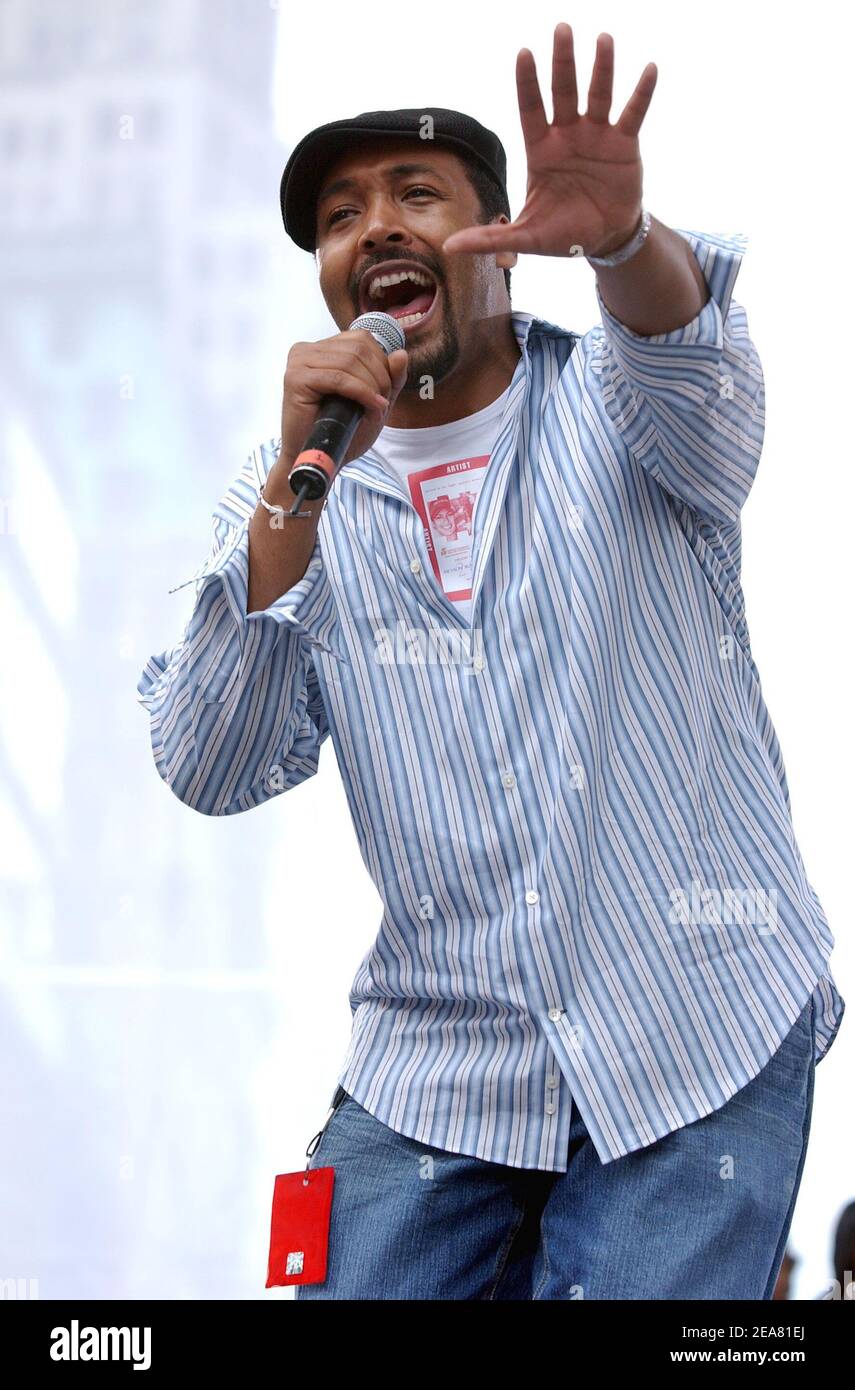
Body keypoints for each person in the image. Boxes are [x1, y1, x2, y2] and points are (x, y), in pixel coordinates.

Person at [137, 26, 844, 1299]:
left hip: (692, 1026)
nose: (376, 230)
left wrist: (627, 244)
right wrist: (291, 504)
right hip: (440, 1066)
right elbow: (210, 761)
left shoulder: (620, 403)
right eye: (343, 218)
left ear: (503, 244)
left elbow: (698, 371)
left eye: (417, 196)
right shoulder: (294, 500)